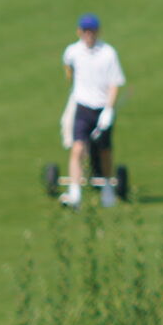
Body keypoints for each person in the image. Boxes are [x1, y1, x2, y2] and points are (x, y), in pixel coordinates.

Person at [59, 13, 126, 206]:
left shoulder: (108, 53)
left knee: (104, 151)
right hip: (82, 107)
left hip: (101, 109)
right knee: (78, 148)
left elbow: (114, 84)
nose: (89, 35)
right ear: (79, 32)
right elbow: (69, 70)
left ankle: (107, 188)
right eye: (85, 31)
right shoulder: (72, 52)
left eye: (92, 31)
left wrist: (108, 110)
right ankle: (75, 193)